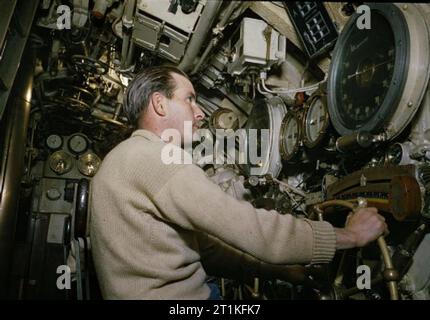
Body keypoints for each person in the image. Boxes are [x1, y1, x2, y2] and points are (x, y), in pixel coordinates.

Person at [89, 65, 387, 299]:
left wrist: (281, 272)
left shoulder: (123, 160)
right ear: (160, 104)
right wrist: (350, 236)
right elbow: (253, 230)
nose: (200, 110)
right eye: (189, 98)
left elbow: (205, 250)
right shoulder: (157, 157)